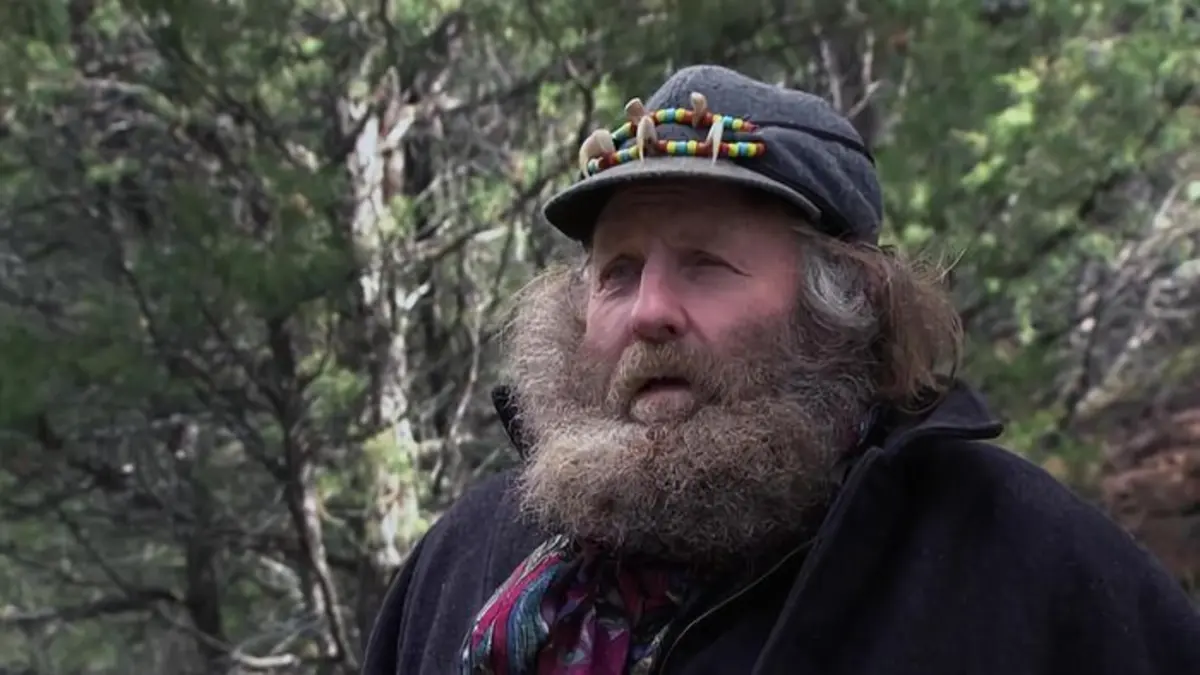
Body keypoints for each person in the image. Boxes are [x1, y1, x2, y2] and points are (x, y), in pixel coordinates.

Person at [361, 65, 1200, 675]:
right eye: (618, 271)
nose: (649, 309)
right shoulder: (464, 559)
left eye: (705, 264)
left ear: (843, 305)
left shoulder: (1018, 563)